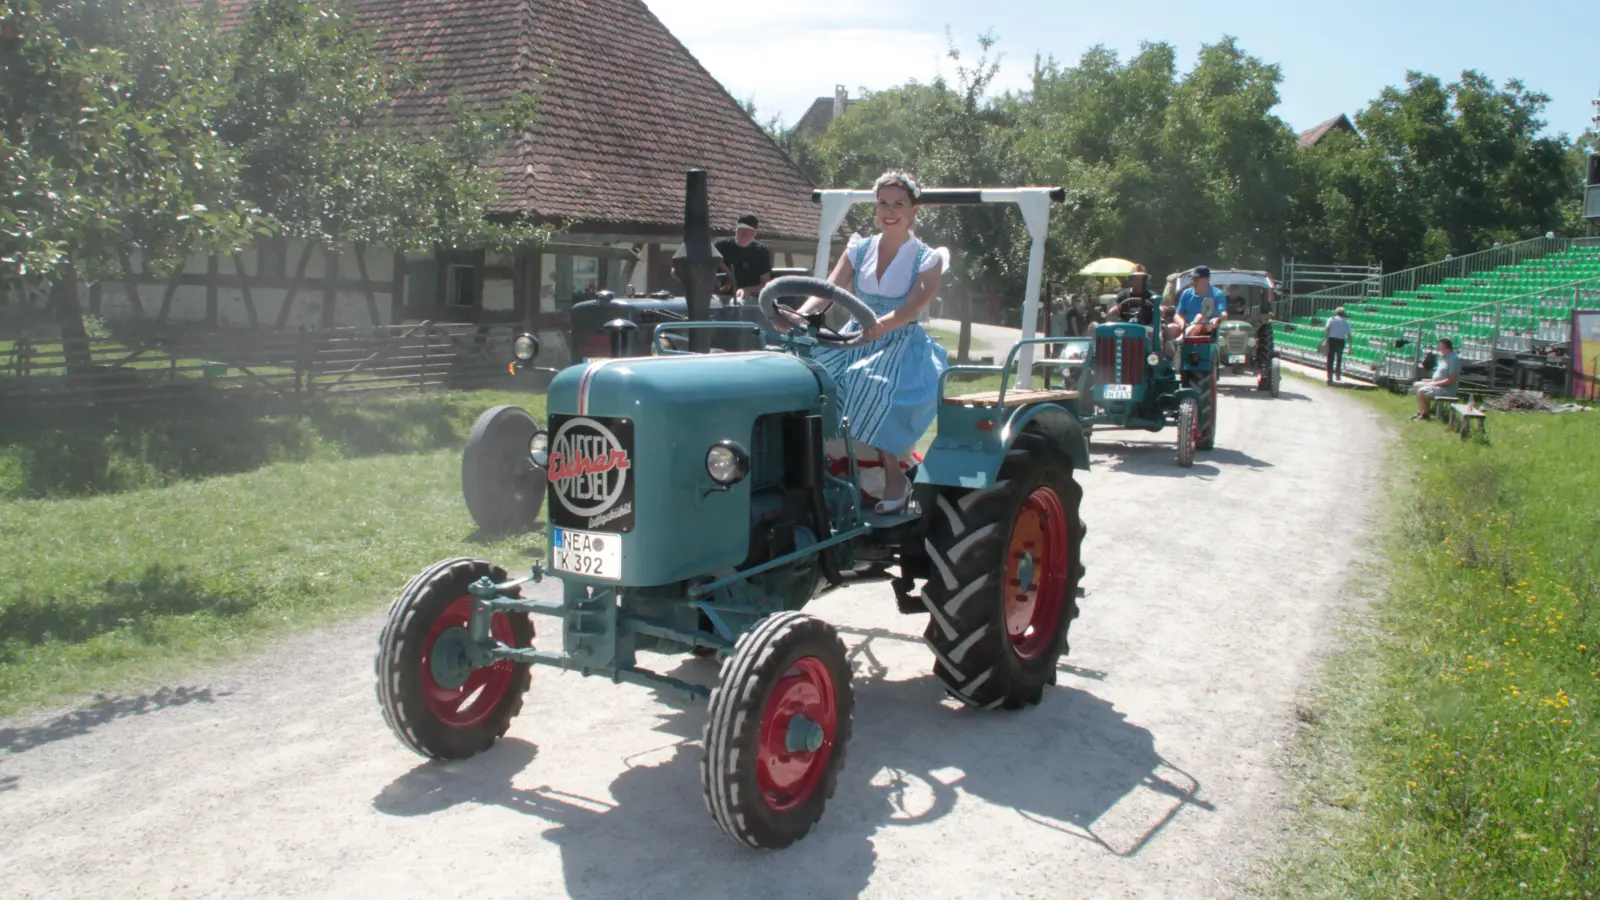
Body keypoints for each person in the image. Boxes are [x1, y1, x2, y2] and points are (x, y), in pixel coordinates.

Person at [781, 170, 949, 514]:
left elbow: (909, 309)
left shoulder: (927, 258)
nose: (889, 210)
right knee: (812, 372)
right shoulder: (859, 248)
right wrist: (797, 316)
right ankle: (821, 464)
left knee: (868, 382)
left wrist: (879, 325)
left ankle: (894, 477)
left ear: (914, 210)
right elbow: (828, 291)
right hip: (858, 333)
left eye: (899, 204)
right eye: (883, 203)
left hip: (899, 340)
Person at [713, 212, 774, 301]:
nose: (745, 237)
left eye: (751, 234)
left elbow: (765, 284)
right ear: (736, 229)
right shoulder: (720, 246)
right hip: (721, 299)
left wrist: (747, 290)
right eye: (742, 232)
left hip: (749, 302)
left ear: (755, 233)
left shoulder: (761, 251)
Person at [1411, 337, 1462, 421]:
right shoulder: (1444, 357)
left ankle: (1424, 415)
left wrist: (1434, 384)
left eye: (1440, 347)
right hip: (1437, 385)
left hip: (1446, 389)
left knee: (1421, 391)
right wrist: (1431, 381)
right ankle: (1422, 412)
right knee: (1416, 385)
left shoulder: (1453, 359)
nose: (1439, 349)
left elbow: (1451, 379)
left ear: (1446, 347)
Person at [1172, 265, 1227, 341]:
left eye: (1196, 280)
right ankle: (1170, 350)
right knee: (1170, 329)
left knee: (1200, 317)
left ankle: (1181, 340)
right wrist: (1182, 323)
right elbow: (1177, 315)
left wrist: (1218, 319)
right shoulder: (1186, 293)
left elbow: (1223, 314)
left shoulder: (1217, 294)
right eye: (1192, 279)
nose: (1193, 282)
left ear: (1207, 280)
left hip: (1207, 329)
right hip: (1187, 326)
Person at [1324, 306, 1352, 383]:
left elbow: (1326, 330)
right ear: (1343, 314)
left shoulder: (1331, 320)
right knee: (1339, 359)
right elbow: (1349, 335)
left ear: (1336, 313)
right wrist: (1350, 347)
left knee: (1330, 359)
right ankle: (1338, 375)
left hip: (1332, 340)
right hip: (1341, 341)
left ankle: (1330, 377)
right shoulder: (1346, 322)